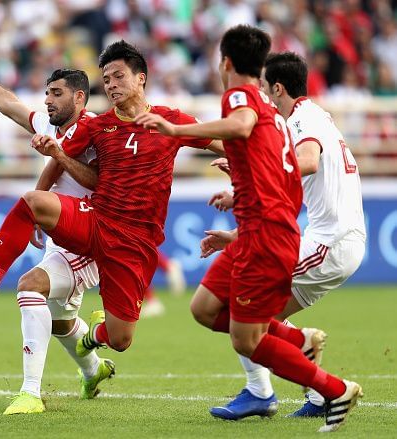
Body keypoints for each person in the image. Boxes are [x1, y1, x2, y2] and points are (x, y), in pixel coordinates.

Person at [135, 25, 362, 433]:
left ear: (225, 62)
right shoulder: (275, 119)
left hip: (286, 238)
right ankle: (297, 346)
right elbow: (282, 186)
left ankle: (330, 389)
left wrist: (177, 131)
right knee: (204, 308)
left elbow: (240, 127)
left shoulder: (243, 99)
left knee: (248, 337)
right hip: (261, 233)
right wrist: (239, 208)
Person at [0, 40, 224, 364]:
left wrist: (251, 166)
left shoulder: (130, 122)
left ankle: (80, 352)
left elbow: (219, 141)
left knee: (115, 337)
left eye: (118, 77)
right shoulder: (78, 126)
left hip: (116, 237)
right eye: (107, 80)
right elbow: (15, 110)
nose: (112, 85)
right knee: (51, 306)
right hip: (82, 225)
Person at [0, 52, 115, 415]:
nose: (47, 100)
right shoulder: (49, 126)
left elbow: (99, 182)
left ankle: (30, 393)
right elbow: (8, 104)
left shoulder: (97, 131)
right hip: (62, 233)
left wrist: (56, 173)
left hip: (90, 233)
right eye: (47, 94)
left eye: (56, 93)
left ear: (79, 98)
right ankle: (93, 369)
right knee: (61, 321)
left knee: (29, 286)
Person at [200, 52, 366, 419]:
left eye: (265, 91)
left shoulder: (303, 119)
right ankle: (318, 390)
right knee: (261, 318)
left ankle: (263, 391)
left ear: (277, 88)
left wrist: (259, 168)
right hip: (334, 241)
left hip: (329, 243)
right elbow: (283, 191)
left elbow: (307, 161)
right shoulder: (314, 116)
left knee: (237, 304)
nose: (263, 100)